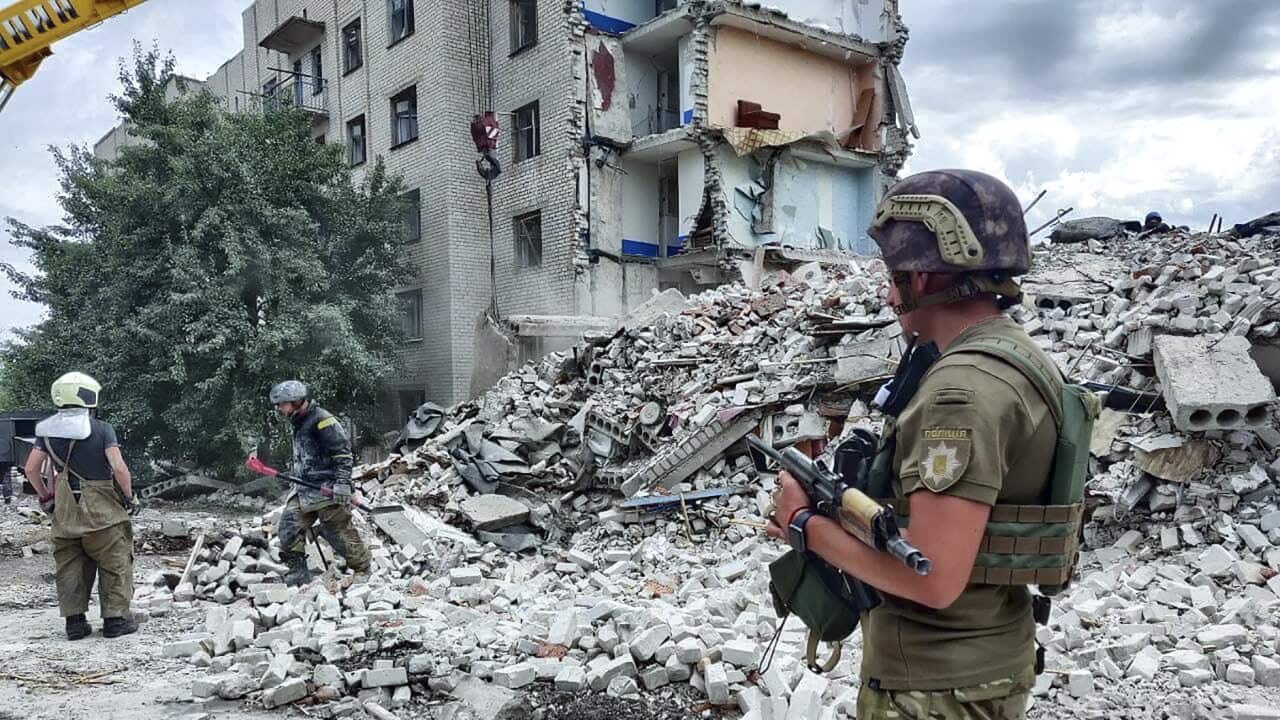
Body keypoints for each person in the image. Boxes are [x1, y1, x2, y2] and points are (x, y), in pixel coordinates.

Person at [767, 170, 1061, 719]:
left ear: (922, 278)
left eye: (891, 275)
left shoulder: (960, 393)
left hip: (936, 687)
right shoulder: (1016, 358)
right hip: (980, 664)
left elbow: (930, 577)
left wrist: (803, 526)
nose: (886, 293)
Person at [23, 372, 137, 640]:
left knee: (70, 566)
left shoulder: (47, 431)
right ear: (88, 397)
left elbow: (31, 468)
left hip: (65, 510)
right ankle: (115, 621)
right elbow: (119, 468)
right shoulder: (102, 428)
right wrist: (130, 498)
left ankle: (75, 624)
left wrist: (45, 497)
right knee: (115, 561)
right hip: (102, 511)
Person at [269, 380, 369, 586]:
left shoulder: (323, 421)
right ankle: (298, 572)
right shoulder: (298, 421)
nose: (279, 408)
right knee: (289, 527)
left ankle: (362, 570)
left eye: (282, 404)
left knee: (337, 532)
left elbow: (343, 454)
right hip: (304, 488)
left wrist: (342, 483)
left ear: (295, 402)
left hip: (328, 488)